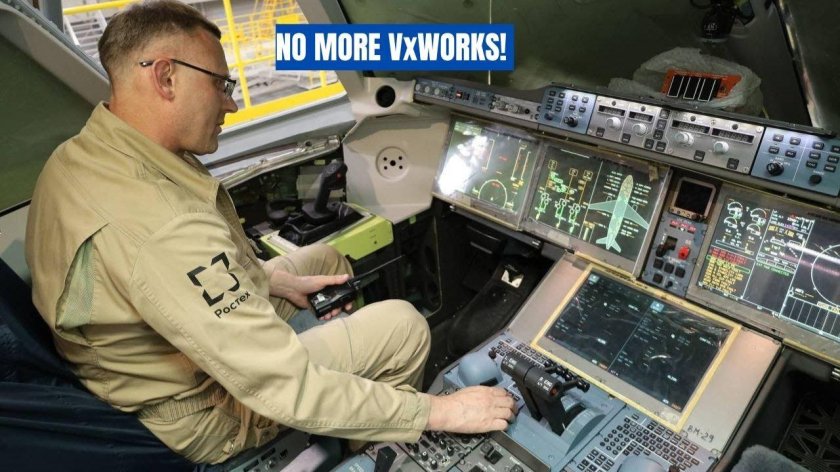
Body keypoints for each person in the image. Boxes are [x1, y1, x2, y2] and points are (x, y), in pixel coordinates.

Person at [24, 0, 515, 465]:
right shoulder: (161, 225)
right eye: (220, 84)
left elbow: (165, 281)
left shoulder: (81, 155)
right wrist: (438, 411)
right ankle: (366, 452)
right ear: (166, 77)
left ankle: (349, 387)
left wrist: (272, 282)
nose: (232, 104)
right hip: (199, 410)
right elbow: (283, 386)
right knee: (403, 327)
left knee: (324, 261)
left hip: (142, 361)